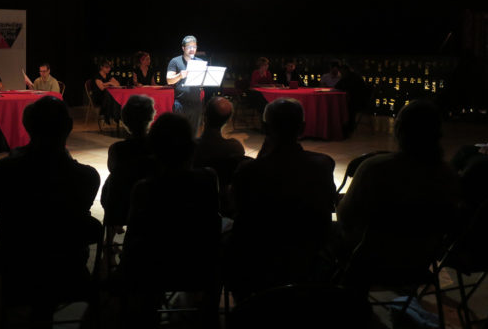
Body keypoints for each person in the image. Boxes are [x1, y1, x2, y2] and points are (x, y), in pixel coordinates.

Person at [0, 96, 100, 323]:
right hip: (68, 270)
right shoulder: (87, 177)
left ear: (28, 126)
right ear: (69, 127)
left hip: (19, 268)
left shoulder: (4, 170)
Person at [227, 98, 337, 299]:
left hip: (258, 261)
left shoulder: (249, 171)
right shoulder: (323, 165)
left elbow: (238, 209)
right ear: (302, 128)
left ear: (266, 128)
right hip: (308, 258)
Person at [121, 112, 221, 327]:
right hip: (200, 267)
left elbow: (134, 238)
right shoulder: (208, 179)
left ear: (155, 149)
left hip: (154, 270)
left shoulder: (144, 189)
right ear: (191, 147)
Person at [336, 100, 460, 259]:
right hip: (418, 259)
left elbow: (346, 216)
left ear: (398, 130)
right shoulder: (447, 175)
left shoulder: (374, 169)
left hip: (369, 258)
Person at [100, 94, 157, 232]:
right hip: (150, 204)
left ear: (125, 120)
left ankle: (111, 234)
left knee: (112, 180)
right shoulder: (157, 148)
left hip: (120, 204)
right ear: (151, 118)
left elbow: (113, 170)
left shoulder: (116, 149)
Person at [193, 96, 246, 217]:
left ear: (205, 116)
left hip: (194, 202)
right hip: (223, 205)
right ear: (228, 120)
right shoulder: (235, 148)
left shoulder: (190, 147)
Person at [166, 35, 204, 136]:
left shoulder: (200, 62)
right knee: (179, 134)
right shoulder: (175, 61)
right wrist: (179, 75)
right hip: (180, 103)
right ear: (183, 48)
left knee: (193, 133)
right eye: (189, 47)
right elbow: (169, 80)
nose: (192, 49)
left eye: (194, 47)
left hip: (196, 103)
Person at [335, 63, 371, 136]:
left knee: (346, 107)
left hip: (359, 102)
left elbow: (339, 86)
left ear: (345, 70)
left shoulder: (352, 78)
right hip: (357, 100)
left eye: (341, 72)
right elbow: (338, 86)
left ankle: (347, 127)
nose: (341, 73)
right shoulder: (351, 76)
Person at [91, 59, 121, 124]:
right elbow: (102, 88)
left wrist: (107, 83)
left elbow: (118, 84)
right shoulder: (97, 76)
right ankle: (111, 116)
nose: (109, 69)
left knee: (115, 97)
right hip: (99, 97)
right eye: (107, 67)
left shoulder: (108, 76)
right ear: (101, 67)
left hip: (107, 97)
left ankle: (114, 116)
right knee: (108, 94)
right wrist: (110, 83)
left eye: (109, 67)